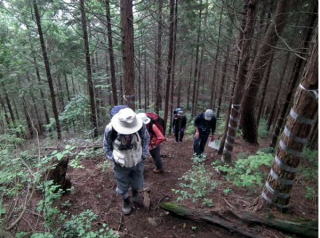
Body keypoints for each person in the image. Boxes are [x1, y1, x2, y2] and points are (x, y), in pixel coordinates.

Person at [103, 108, 150, 215]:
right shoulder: (110, 129)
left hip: (138, 160)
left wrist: (144, 155)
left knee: (138, 181)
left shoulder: (140, 125)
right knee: (122, 184)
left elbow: (146, 139)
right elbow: (106, 146)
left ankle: (135, 194)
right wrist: (113, 158)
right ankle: (126, 201)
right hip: (120, 164)